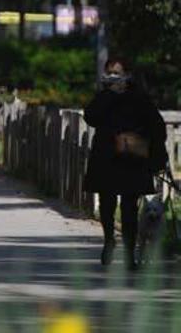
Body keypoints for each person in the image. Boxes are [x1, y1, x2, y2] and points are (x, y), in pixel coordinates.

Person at [82, 58, 168, 270]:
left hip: (132, 159)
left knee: (130, 207)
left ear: (127, 75)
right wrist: (111, 93)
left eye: (117, 73)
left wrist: (152, 150)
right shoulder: (104, 96)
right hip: (107, 159)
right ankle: (109, 238)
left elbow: (157, 126)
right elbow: (91, 116)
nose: (113, 77)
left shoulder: (139, 97)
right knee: (107, 203)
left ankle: (130, 254)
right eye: (109, 73)